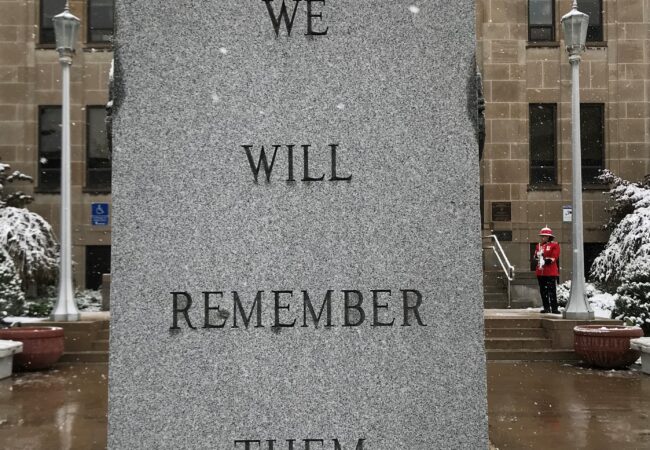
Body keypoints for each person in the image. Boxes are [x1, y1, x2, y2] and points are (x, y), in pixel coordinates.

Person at [535, 226, 560, 314]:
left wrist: (545, 259)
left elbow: (554, 257)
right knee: (543, 291)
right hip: (541, 272)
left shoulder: (554, 245)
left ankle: (554, 308)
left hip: (550, 272)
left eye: (544, 236)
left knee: (551, 291)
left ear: (549, 237)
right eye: (542, 236)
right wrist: (537, 255)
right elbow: (535, 257)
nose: (542, 237)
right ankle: (546, 307)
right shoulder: (538, 246)